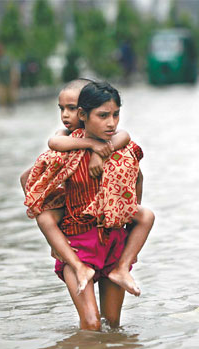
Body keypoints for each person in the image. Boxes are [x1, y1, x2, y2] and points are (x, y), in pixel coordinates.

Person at [23, 81, 154, 330]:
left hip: (112, 243)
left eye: (114, 115)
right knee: (92, 324)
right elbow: (30, 181)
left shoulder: (121, 148)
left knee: (113, 325)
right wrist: (55, 236)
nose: (111, 122)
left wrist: (124, 217)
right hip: (78, 246)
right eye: (103, 115)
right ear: (85, 115)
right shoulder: (63, 153)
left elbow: (137, 178)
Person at [21, 78, 133, 293]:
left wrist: (101, 152)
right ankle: (62, 250)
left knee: (113, 325)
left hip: (110, 239)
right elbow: (51, 147)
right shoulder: (65, 142)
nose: (66, 115)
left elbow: (134, 174)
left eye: (71, 108)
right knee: (90, 323)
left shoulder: (115, 141)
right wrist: (92, 146)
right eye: (62, 109)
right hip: (77, 231)